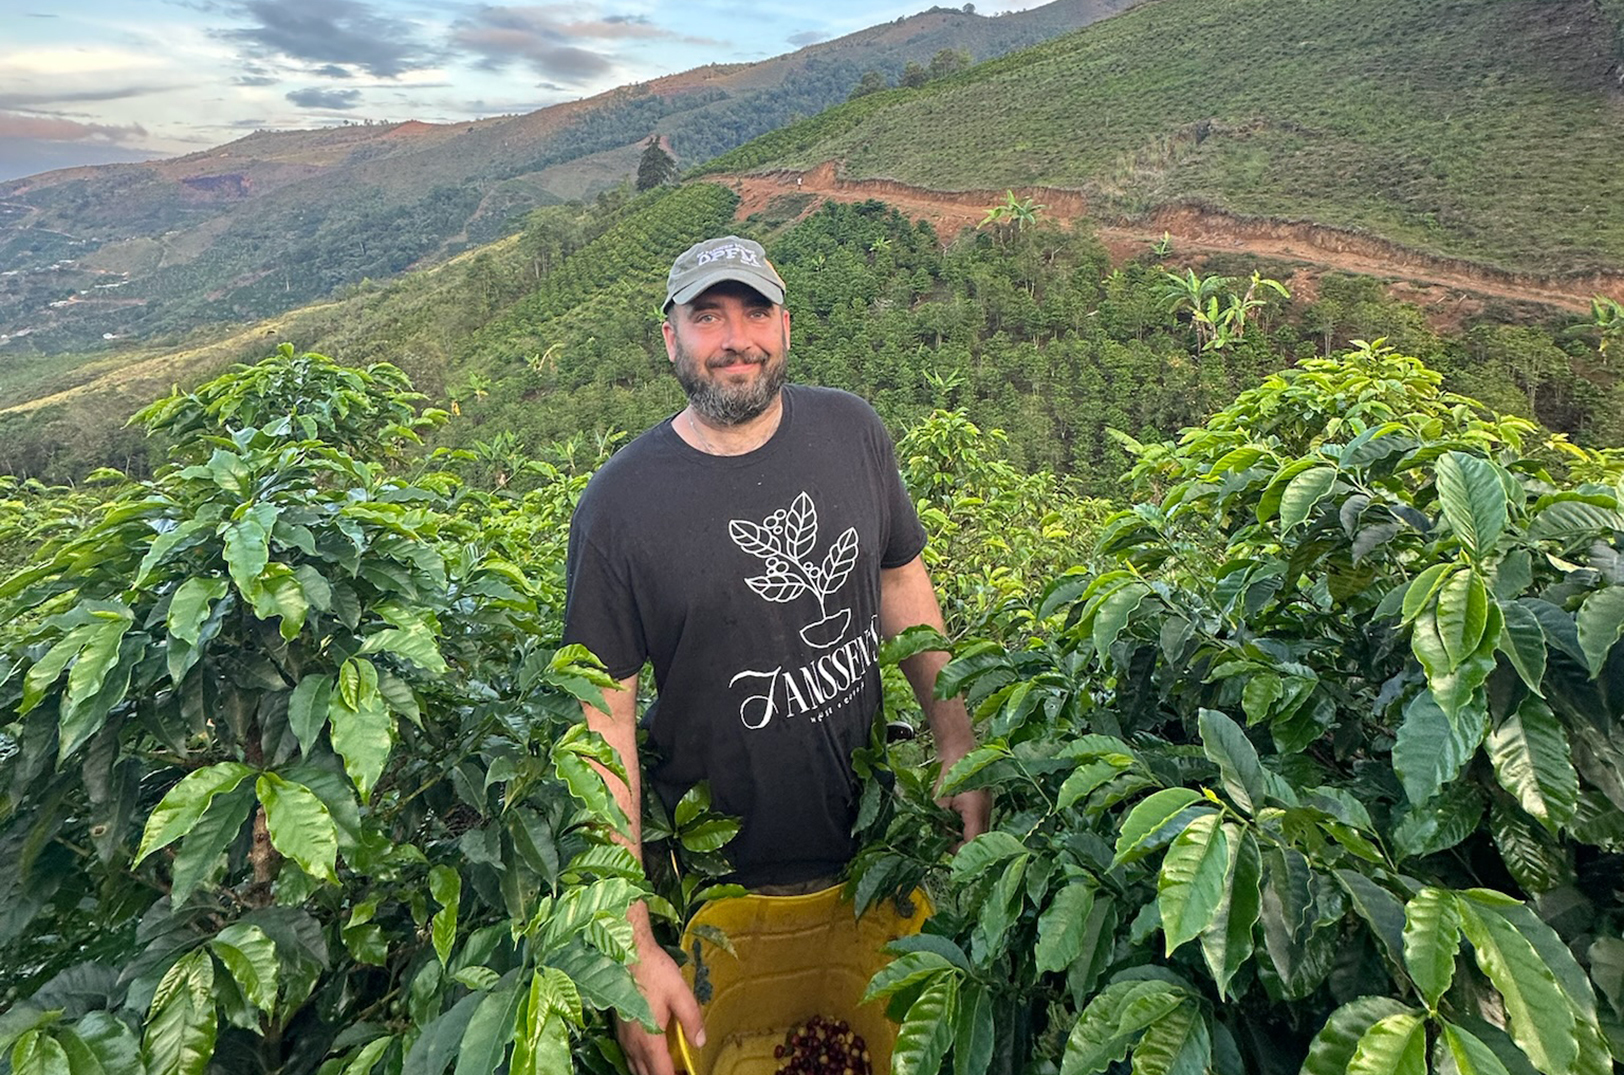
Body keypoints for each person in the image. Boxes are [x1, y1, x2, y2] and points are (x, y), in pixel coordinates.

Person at [562, 235, 991, 1075]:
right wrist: (631, 939)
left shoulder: (852, 431)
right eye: (707, 317)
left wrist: (957, 738)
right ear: (671, 338)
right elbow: (601, 720)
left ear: (786, 326)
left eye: (755, 312)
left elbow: (902, 584)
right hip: (712, 881)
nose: (736, 339)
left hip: (868, 847)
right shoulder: (618, 506)